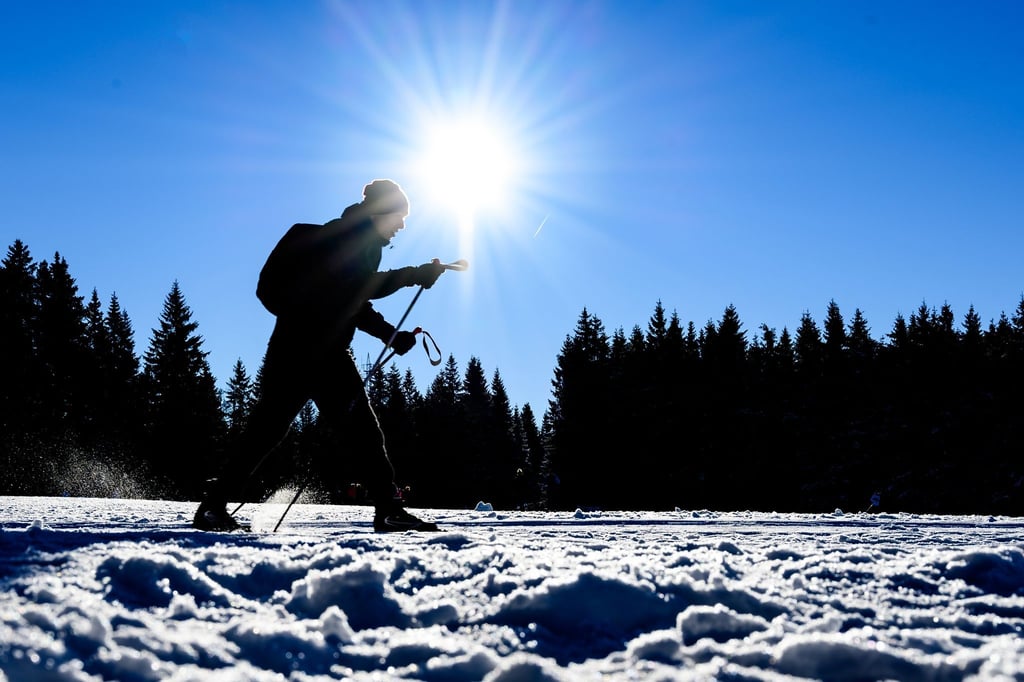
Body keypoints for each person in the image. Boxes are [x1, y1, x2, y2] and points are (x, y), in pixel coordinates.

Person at [193, 179, 446, 532]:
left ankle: (387, 509)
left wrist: (390, 335)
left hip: (320, 353)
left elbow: (352, 302)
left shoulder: (362, 245)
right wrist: (411, 276)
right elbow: (356, 288)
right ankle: (213, 507)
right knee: (272, 432)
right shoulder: (342, 237)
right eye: (398, 216)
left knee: (354, 432)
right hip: (300, 351)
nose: (401, 225)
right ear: (379, 212)